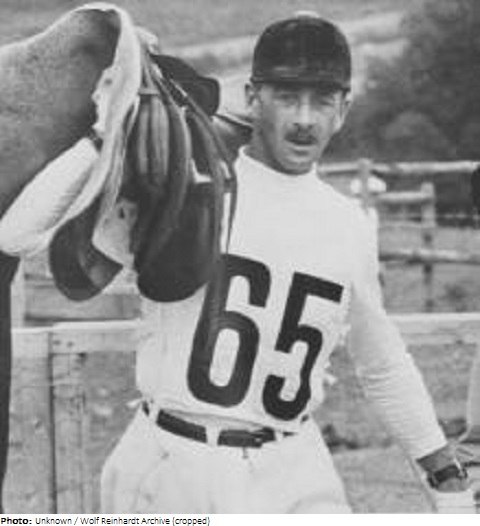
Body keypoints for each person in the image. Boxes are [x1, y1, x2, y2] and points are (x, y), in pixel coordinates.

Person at [100, 12, 475, 513]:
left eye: (322, 101)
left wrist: (443, 470)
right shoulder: (190, 188)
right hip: (173, 454)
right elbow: (73, 245)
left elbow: (381, 361)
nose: (304, 119)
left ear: (343, 110)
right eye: (286, 97)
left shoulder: (348, 223)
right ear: (252, 98)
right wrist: (116, 78)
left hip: (291, 461)